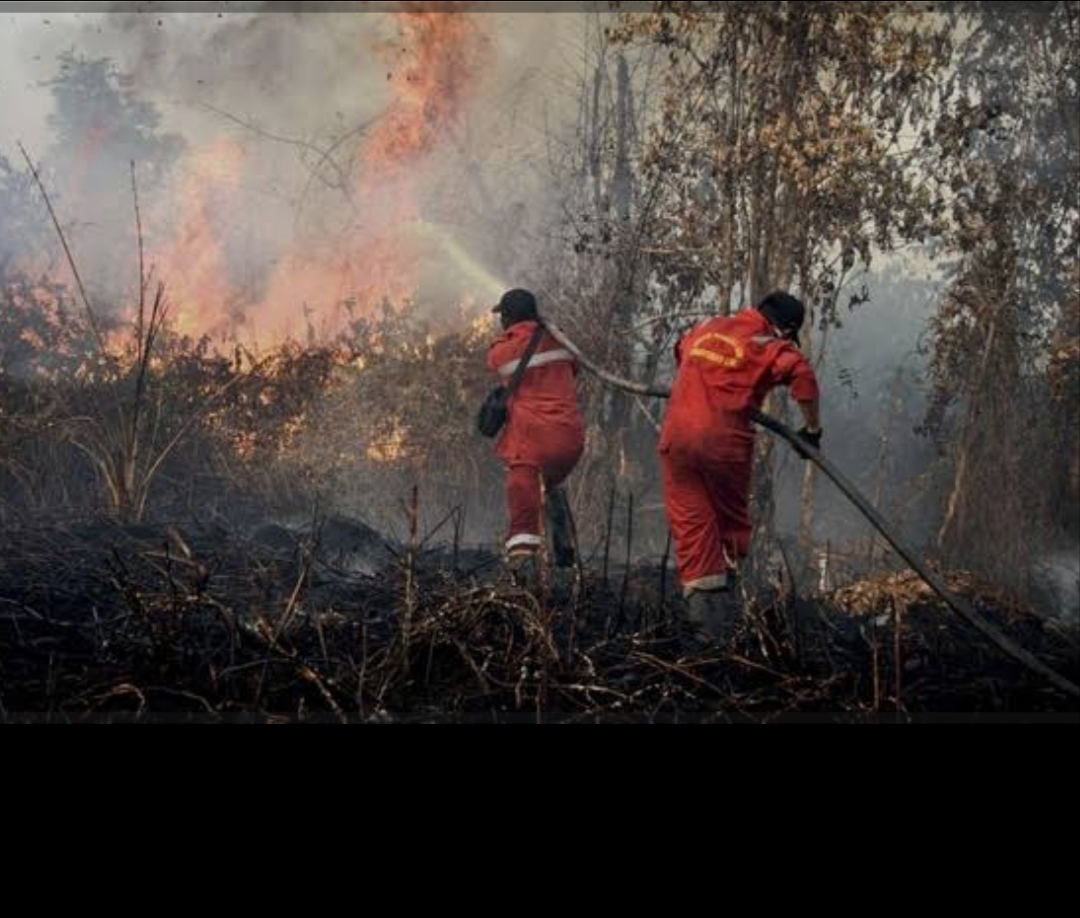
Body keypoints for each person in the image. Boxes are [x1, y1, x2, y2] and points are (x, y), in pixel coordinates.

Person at [659, 292, 822, 645]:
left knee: (692, 530)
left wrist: (703, 382)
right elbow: (804, 379)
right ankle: (729, 622)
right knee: (730, 527)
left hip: (676, 440)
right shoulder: (769, 343)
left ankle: (703, 631)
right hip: (723, 444)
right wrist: (811, 432)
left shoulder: (706, 326)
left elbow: (679, 351)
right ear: (786, 328)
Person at [487, 289, 585, 580]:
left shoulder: (504, 350)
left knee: (524, 511)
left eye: (502, 317)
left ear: (507, 318)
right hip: (570, 441)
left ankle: (522, 575)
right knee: (551, 483)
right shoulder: (562, 341)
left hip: (531, 441)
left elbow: (495, 362)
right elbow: (574, 368)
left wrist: (514, 335)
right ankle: (565, 553)